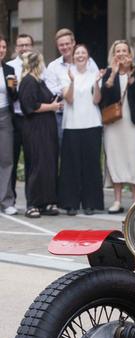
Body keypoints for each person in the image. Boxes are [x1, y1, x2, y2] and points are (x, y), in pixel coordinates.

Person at [58, 44, 103, 215]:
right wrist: (72, 81)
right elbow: (68, 99)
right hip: (72, 124)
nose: (80, 55)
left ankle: (90, 203)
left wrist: (98, 83)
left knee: (91, 164)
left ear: (88, 56)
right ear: (73, 56)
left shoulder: (94, 74)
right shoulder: (67, 74)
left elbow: (97, 100)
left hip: (92, 123)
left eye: (83, 53)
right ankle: (71, 203)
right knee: (71, 165)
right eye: (77, 53)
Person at [100, 40, 135, 214]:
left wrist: (131, 78)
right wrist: (112, 75)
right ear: (114, 54)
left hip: (133, 123)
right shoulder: (109, 72)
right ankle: (117, 200)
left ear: (130, 54)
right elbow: (103, 97)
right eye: (118, 51)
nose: (121, 54)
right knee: (115, 158)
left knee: (134, 159)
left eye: (124, 51)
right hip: (114, 123)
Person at [18, 51, 62, 218]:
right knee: (37, 164)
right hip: (35, 129)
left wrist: (55, 102)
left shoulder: (39, 81)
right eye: (42, 62)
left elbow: (48, 99)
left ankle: (46, 202)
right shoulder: (28, 81)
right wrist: (52, 107)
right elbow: (30, 106)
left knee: (48, 164)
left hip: (47, 127)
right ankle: (32, 204)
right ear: (37, 64)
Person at [44, 28, 98, 140]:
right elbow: (51, 91)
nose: (65, 47)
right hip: (62, 115)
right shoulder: (53, 67)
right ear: (57, 46)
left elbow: (96, 85)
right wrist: (68, 85)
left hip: (86, 114)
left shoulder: (90, 63)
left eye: (67, 44)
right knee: (66, 152)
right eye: (61, 45)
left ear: (73, 43)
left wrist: (67, 85)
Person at [7, 33, 33, 207]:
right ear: (16, 47)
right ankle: (10, 201)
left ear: (32, 46)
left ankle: (33, 201)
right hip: (13, 118)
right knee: (12, 161)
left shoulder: (37, 65)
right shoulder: (9, 67)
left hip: (32, 119)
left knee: (32, 161)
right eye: (21, 45)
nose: (24, 48)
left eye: (27, 45)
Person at [0, 35, 18, 215]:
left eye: (3, 47)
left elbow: (14, 97)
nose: (1, 50)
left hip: (5, 115)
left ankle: (6, 201)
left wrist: (14, 88)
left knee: (6, 160)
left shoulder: (9, 69)